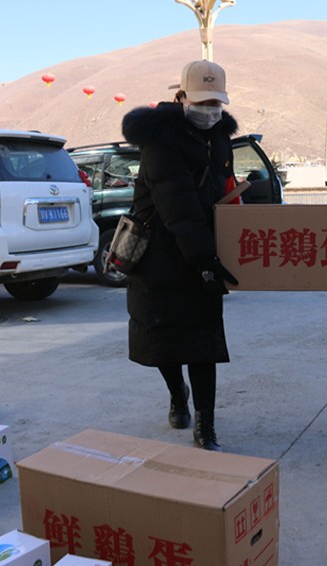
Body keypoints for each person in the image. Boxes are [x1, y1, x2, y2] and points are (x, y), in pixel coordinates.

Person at [121, 60, 239, 451]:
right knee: (163, 342)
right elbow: (178, 207)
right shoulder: (161, 140)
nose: (209, 110)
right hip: (159, 258)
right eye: (201, 102)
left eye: (215, 103)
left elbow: (223, 190)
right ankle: (177, 394)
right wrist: (205, 261)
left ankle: (206, 424)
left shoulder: (219, 137)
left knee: (204, 343)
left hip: (200, 249)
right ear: (182, 97)